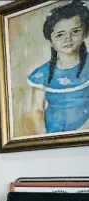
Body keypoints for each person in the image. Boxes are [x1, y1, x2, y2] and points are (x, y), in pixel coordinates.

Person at [26, 0, 89, 134]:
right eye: (60, 35)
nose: (68, 39)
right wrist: (45, 139)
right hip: (52, 136)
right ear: (50, 40)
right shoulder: (42, 74)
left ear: (85, 33)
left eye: (75, 31)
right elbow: (37, 110)